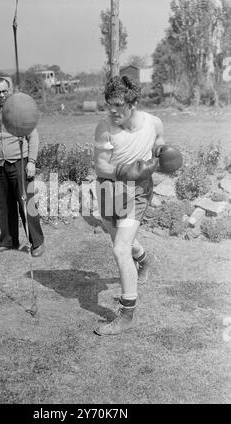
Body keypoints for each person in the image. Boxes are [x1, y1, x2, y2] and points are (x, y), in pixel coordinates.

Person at [93, 75, 166, 336]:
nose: (112, 110)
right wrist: (130, 170)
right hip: (109, 188)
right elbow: (101, 165)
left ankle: (126, 315)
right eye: (108, 104)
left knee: (120, 249)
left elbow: (158, 140)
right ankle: (144, 260)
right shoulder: (105, 128)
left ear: (133, 103)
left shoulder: (153, 122)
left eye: (118, 105)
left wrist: (162, 153)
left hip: (137, 192)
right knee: (113, 234)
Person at [0, 77, 44, 256]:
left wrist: (31, 162)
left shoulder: (20, 112)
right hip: (1, 166)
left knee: (26, 204)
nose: (1, 95)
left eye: (4, 91)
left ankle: (37, 242)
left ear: (10, 91)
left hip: (20, 164)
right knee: (4, 206)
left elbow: (34, 138)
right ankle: (9, 241)